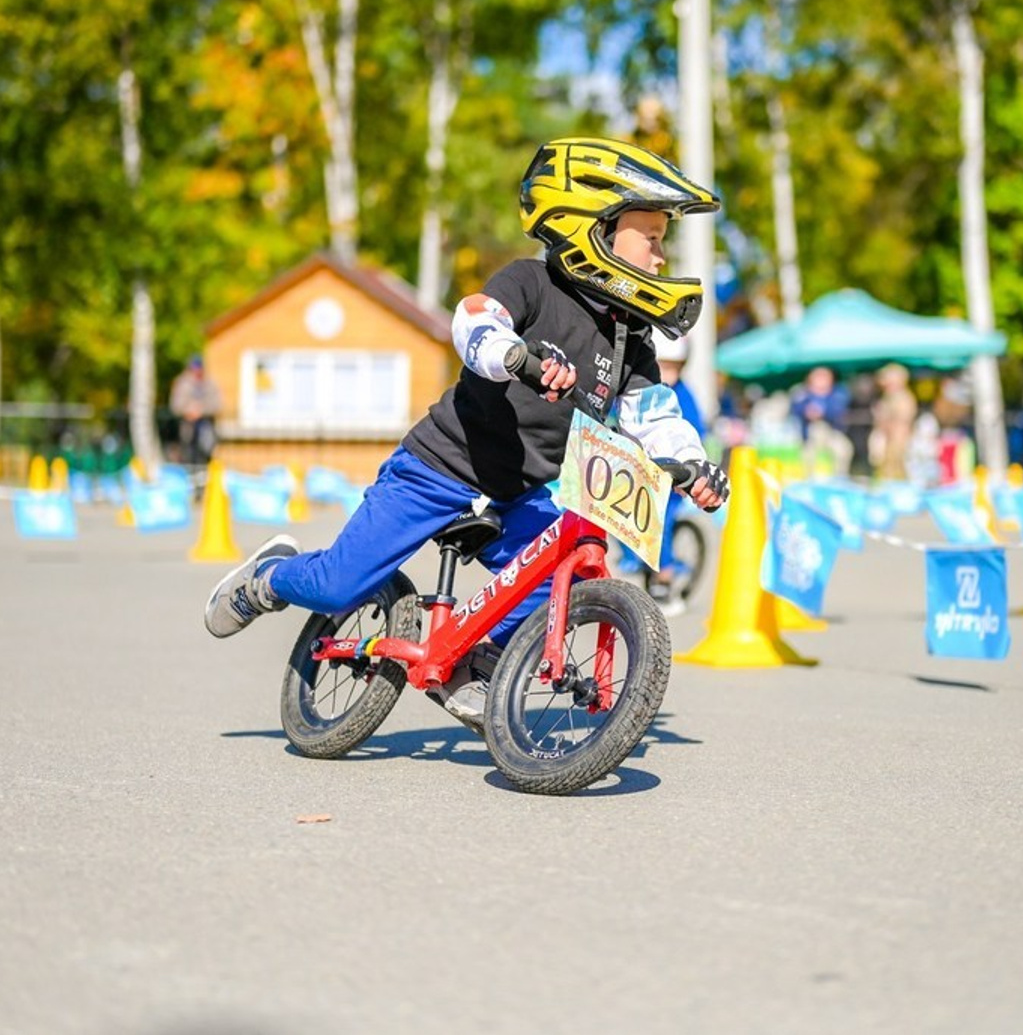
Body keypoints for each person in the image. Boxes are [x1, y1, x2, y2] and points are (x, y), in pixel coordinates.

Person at [203, 137, 730, 731]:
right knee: (336, 585)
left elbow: (655, 415)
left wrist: (693, 466)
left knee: (574, 565)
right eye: (653, 239)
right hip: (439, 469)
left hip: (518, 492)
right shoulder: (533, 283)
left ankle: (477, 663)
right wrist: (514, 355)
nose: (662, 257)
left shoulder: (628, 337)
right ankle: (269, 579)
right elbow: (475, 319)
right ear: (596, 230)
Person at [645, 332, 706, 615]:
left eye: (672, 368)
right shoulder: (645, 390)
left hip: (672, 479)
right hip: (643, 470)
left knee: (662, 523)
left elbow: (695, 435)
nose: (666, 373)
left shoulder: (684, 397)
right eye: (662, 366)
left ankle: (665, 577)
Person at [790, 365, 853, 474]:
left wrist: (823, 412)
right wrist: (807, 411)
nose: (821, 380)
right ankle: (810, 480)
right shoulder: (802, 392)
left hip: (832, 432)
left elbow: (840, 410)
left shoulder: (838, 392)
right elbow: (794, 409)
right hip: (809, 435)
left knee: (843, 450)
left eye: (824, 377)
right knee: (808, 455)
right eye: (818, 377)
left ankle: (840, 479)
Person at [169, 356, 222, 466]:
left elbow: (217, 404)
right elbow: (175, 405)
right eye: (194, 368)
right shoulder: (182, 383)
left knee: (206, 449)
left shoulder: (210, 383)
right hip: (187, 426)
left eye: (199, 368)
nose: (197, 371)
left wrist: (201, 410)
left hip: (206, 424)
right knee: (187, 454)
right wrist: (189, 410)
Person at [869, 363, 917, 480]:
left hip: (899, 438)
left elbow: (903, 420)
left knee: (898, 466)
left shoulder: (904, 398)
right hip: (888, 438)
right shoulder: (886, 397)